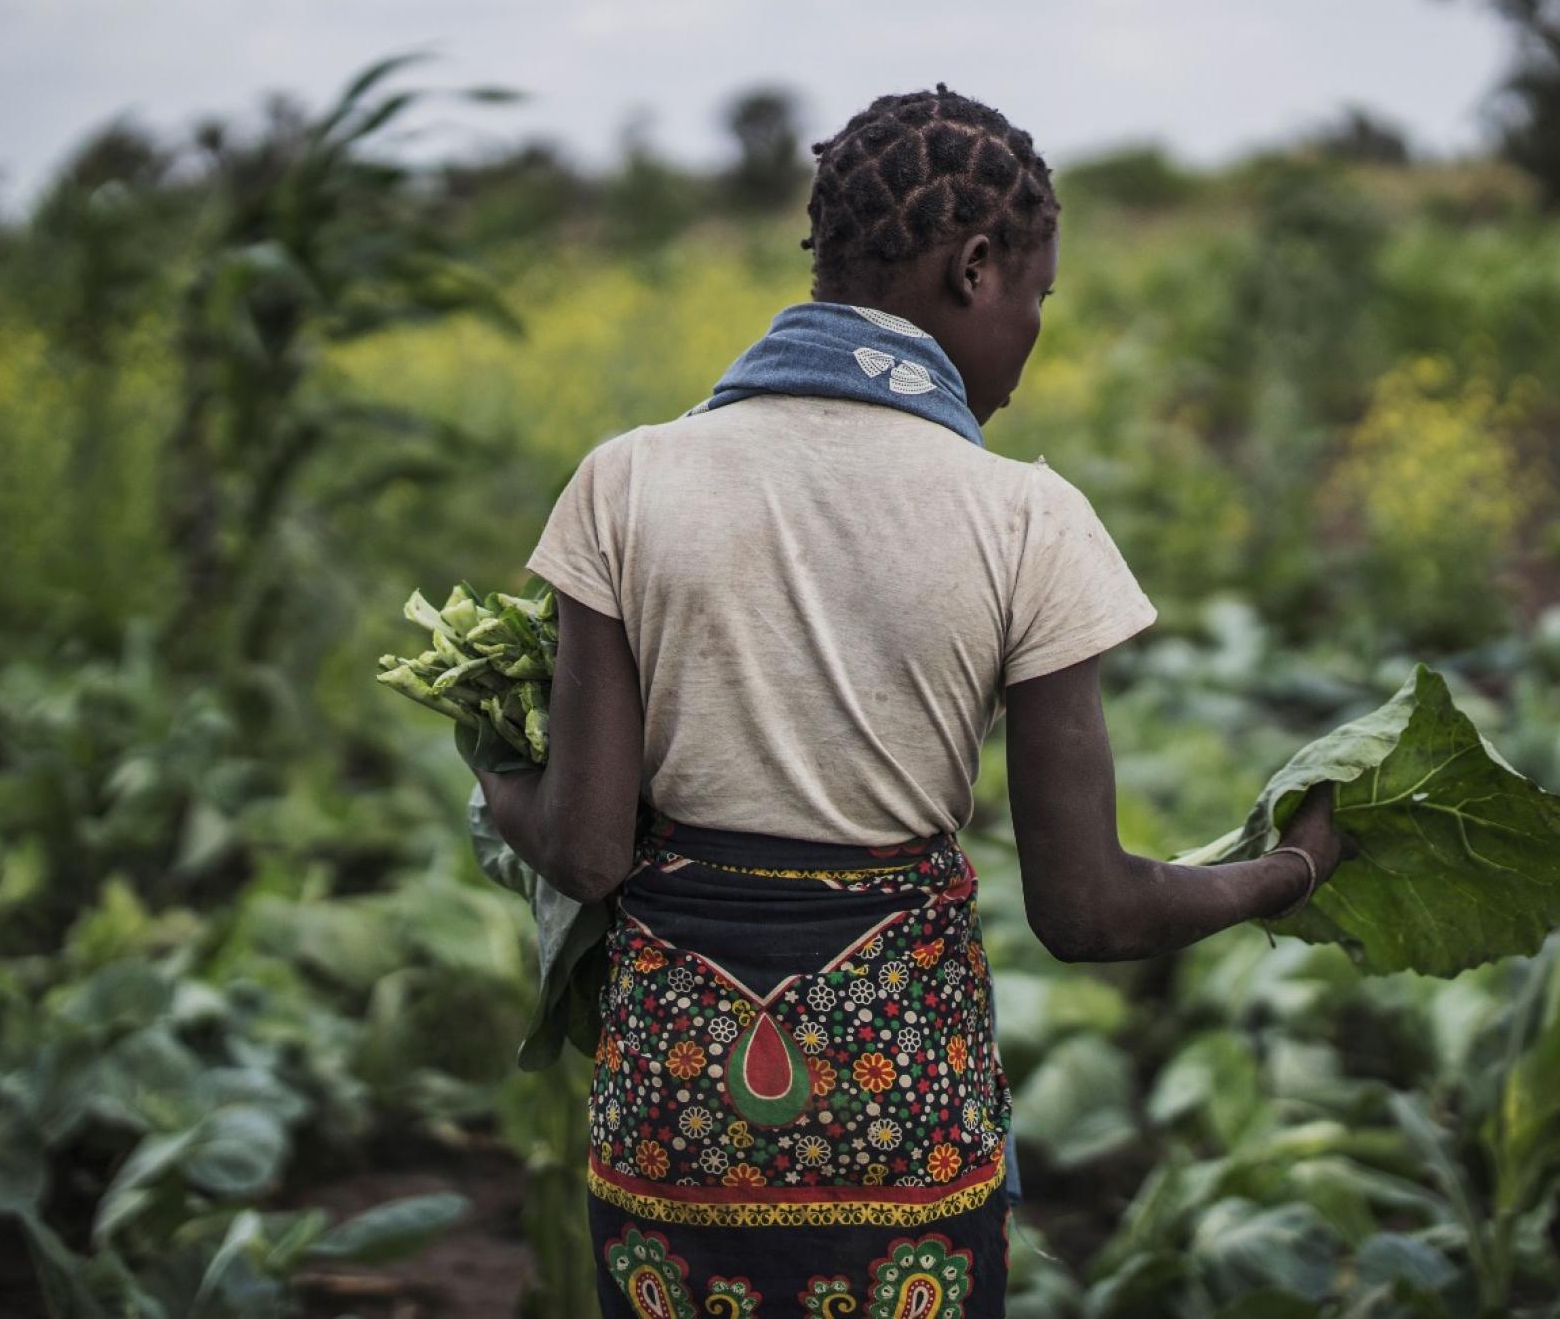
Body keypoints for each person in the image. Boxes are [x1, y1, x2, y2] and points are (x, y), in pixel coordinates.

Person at [472, 84, 1351, 1317]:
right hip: (900, 1114)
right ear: (976, 268)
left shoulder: (626, 482)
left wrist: (493, 783)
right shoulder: (1026, 519)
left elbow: (584, 844)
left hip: (674, 1111)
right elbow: (1088, 910)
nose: (1030, 346)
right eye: (1037, 301)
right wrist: (1285, 871)